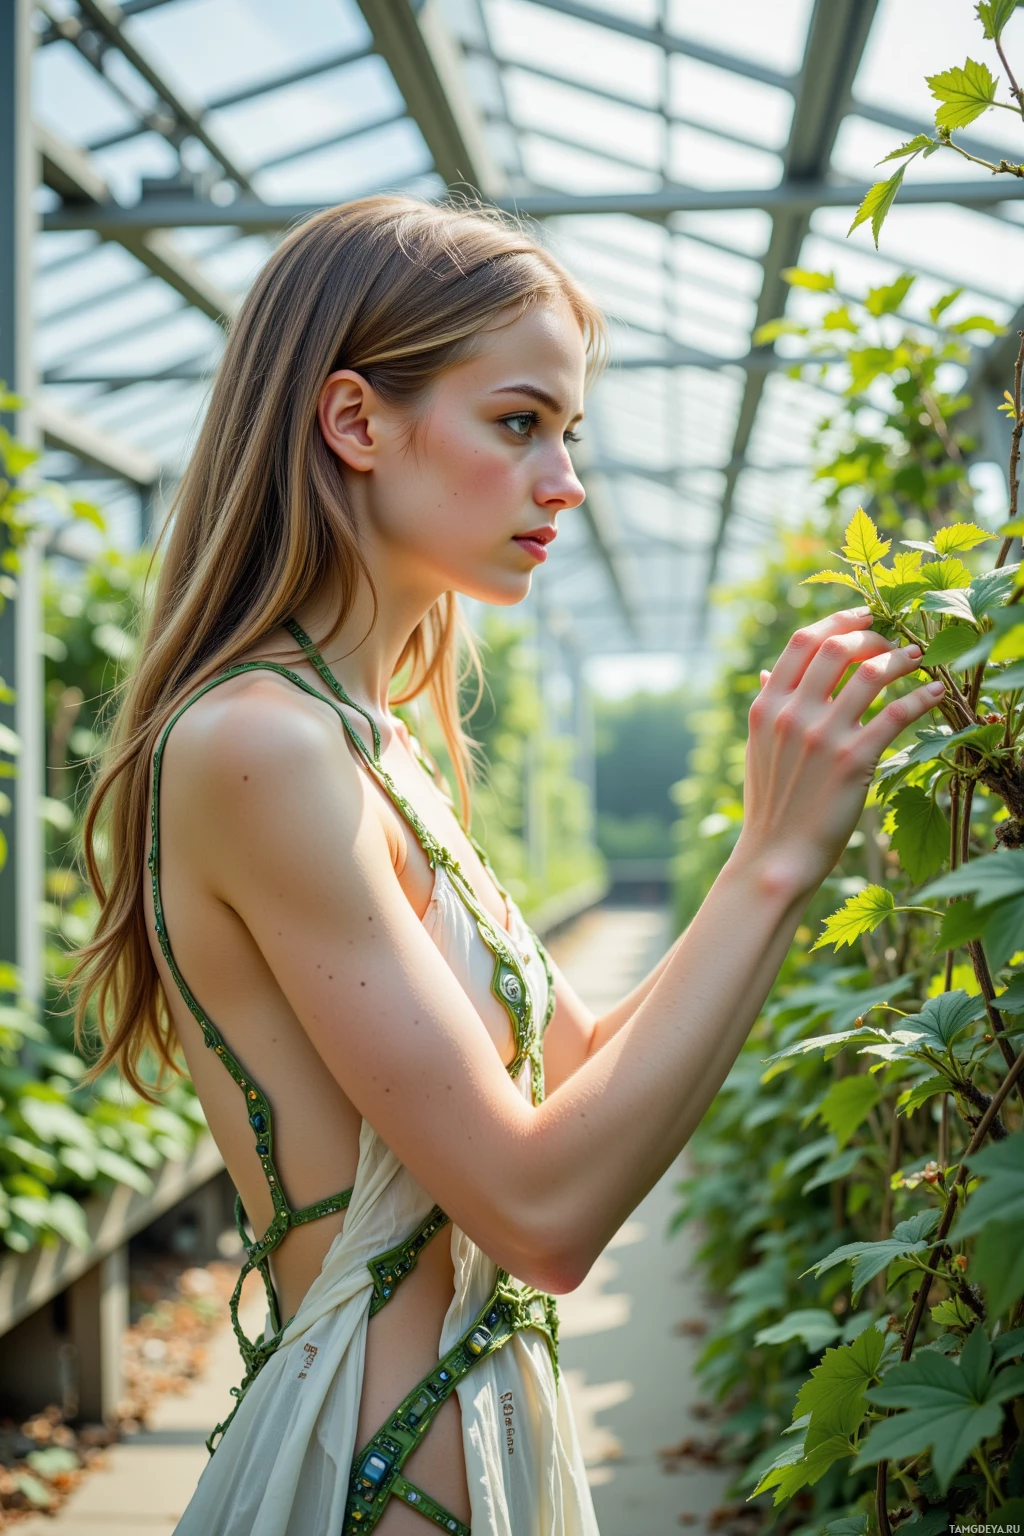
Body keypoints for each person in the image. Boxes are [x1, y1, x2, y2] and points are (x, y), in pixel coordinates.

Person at [70, 194, 945, 1536]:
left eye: (568, 433)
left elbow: (577, 1071)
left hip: (465, 1439)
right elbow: (541, 1213)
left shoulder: (369, 735)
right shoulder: (264, 742)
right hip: (383, 1475)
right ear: (355, 422)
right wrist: (771, 855)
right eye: (519, 423)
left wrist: (784, 854)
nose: (565, 482)